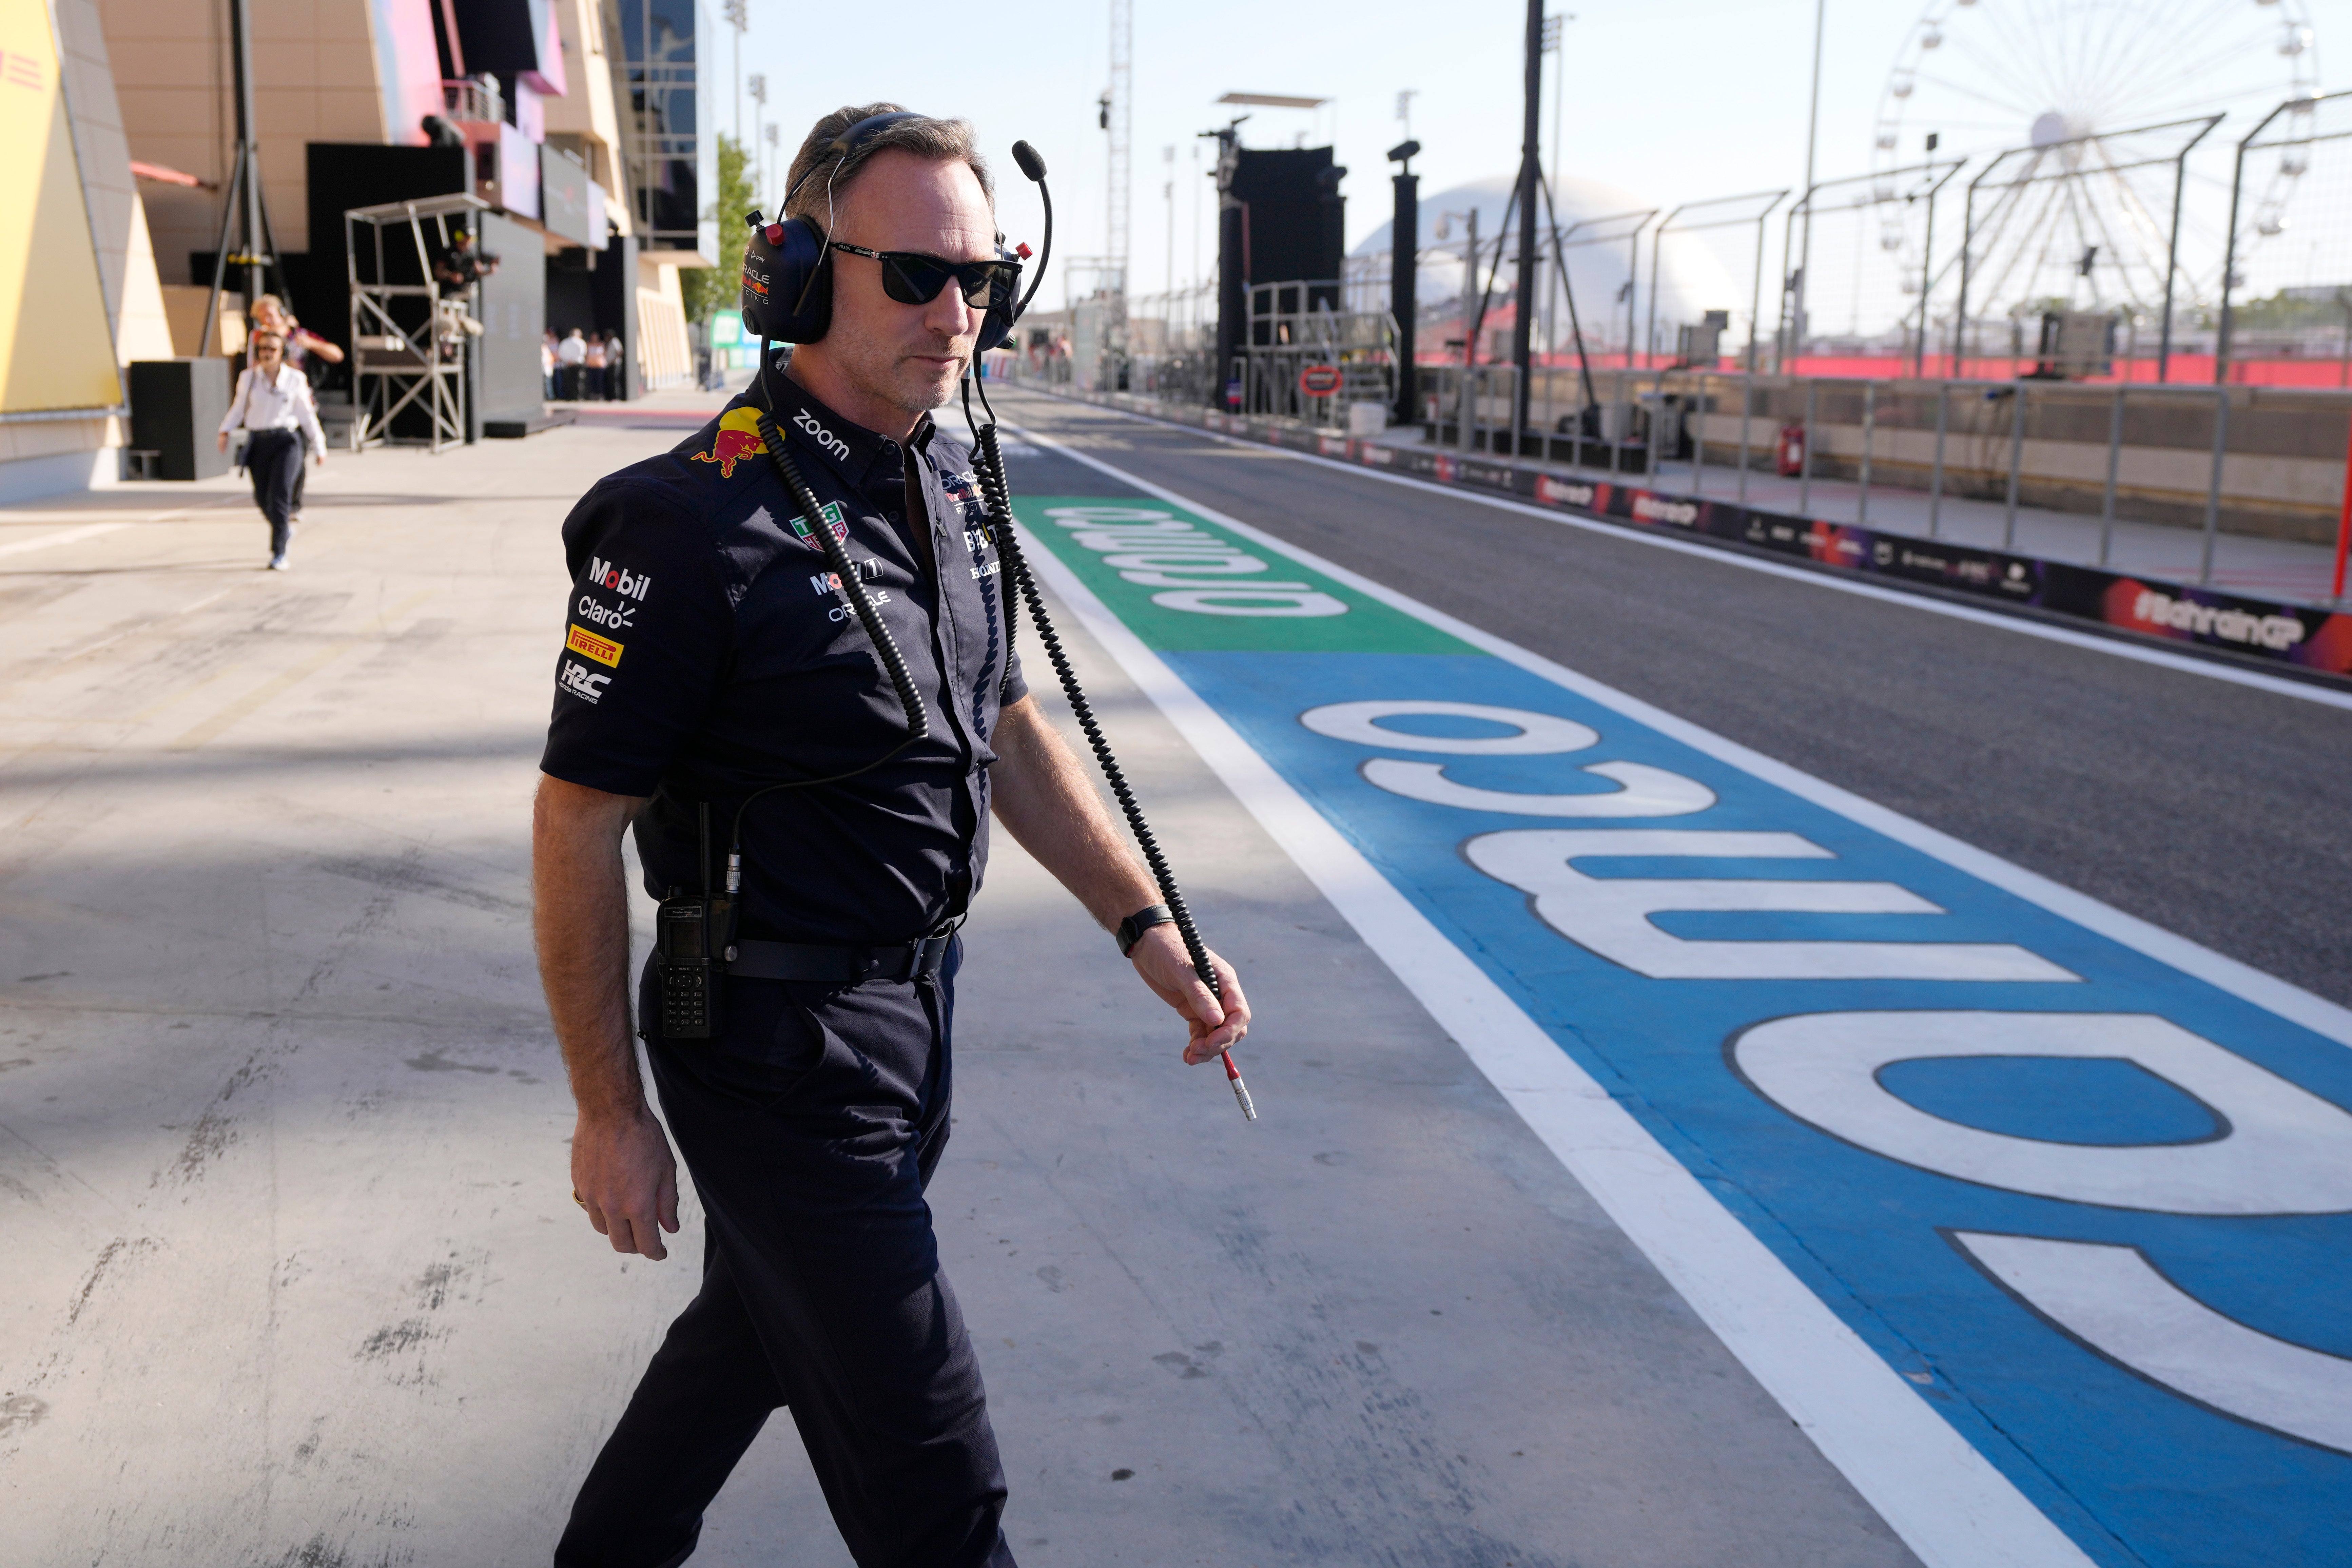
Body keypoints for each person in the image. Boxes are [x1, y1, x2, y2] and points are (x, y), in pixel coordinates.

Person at [533, 104, 1250, 1568]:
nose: (957, 313)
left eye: (983, 279)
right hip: (765, 1042)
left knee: (747, 1337)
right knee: (935, 1483)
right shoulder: (679, 524)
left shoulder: (945, 477)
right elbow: (575, 819)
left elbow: (1001, 728)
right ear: (800, 272)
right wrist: (609, 1108)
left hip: (912, 1017)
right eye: (915, 274)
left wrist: (1144, 925)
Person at [216, 329, 324, 570]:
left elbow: (306, 415)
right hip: (258, 442)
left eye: (272, 349)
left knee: (279, 496)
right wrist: (225, 431)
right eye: (263, 349)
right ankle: (284, 529)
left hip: (286, 442)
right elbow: (238, 408)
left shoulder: (295, 379)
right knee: (262, 498)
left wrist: (319, 445)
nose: (267, 354)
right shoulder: (249, 378)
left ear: (282, 353)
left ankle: (279, 553)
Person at [249, 295, 343, 526]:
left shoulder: (298, 335)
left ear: (281, 312)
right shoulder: (259, 339)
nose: (267, 320)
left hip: (300, 402)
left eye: (270, 314)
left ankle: (293, 503)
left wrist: (311, 344)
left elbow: (337, 354)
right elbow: (251, 370)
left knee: (297, 456)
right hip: (272, 405)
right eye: (262, 317)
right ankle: (278, 500)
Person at [558, 327, 587, 401]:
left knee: (568, 382)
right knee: (578, 381)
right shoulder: (581, 342)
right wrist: (573, 361)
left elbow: (561, 353)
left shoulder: (564, 342)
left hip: (567, 365)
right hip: (577, 365)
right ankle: (578, 397)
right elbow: (582, 353)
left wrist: (568, 361)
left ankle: (569, 397)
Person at [582, 330, 607, 401]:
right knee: (591, 382)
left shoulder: (602, 345)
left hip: (599, 366)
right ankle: (592, 396)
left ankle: (600, 396)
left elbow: (605, 354)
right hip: (590, 366)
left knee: (600, 382)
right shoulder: (588, 345)